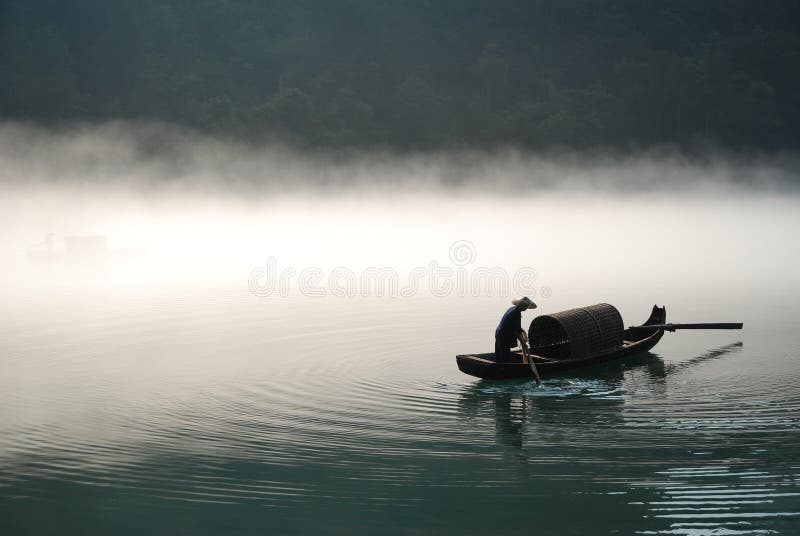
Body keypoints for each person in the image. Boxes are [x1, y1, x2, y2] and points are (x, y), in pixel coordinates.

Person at [494, 296, 537, 364]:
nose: (526, 308)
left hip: (498, 332)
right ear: (521, 306)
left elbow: (513, 326)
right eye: (525, 306)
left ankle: (499, 366)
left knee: (499, 355)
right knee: (505, 357)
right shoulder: (516, 314)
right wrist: (523, 343)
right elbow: (516, 332)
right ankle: (505, 368)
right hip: (503, 335)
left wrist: (521, 332)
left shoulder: (512, 308)